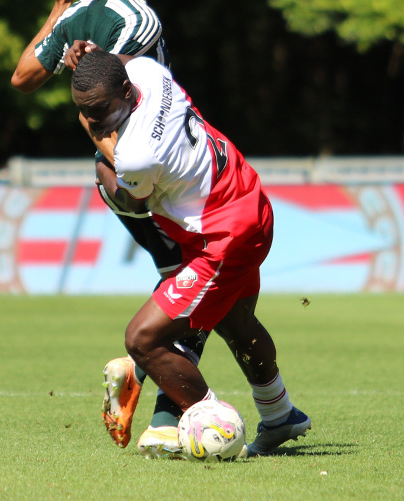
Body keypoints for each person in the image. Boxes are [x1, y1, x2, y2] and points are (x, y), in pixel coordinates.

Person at [9, 0, 206, 457]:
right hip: (142, 173)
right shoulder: (140, 19)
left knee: (182, 280)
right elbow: (105, 91)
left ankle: (149, 387)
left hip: (108, 178)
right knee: (205, 281)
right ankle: (165, 415)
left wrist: (59, 5)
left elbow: (23, 75)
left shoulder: (78, 12)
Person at [71, 50, 312, 457]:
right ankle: (280, 415)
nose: (94, 119)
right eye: (84, 110)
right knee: (236, 321)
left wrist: (100, 163)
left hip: (221, 237)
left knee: (142, 339)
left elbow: (132, 202)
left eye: (101, 109)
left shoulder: (137, 154)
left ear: (126, 93)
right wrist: (98, 55)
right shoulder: (146, 71)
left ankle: (211, 422)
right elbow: (126, 59)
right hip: (247, 198)